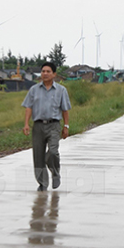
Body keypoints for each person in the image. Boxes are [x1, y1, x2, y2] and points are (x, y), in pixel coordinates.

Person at [23, 62, 72, 191]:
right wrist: (26, 124)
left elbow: (65, 110)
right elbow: (28, 107)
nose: (45, 74)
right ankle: (42, 183)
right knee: (38, 156)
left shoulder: (61, 90)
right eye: (43, 71)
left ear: (54, 74)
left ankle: (55, 173)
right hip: (38, 125)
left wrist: (66, 126)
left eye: (48, 71)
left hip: (54, 125)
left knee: (53, 152)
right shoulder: (34, 90)